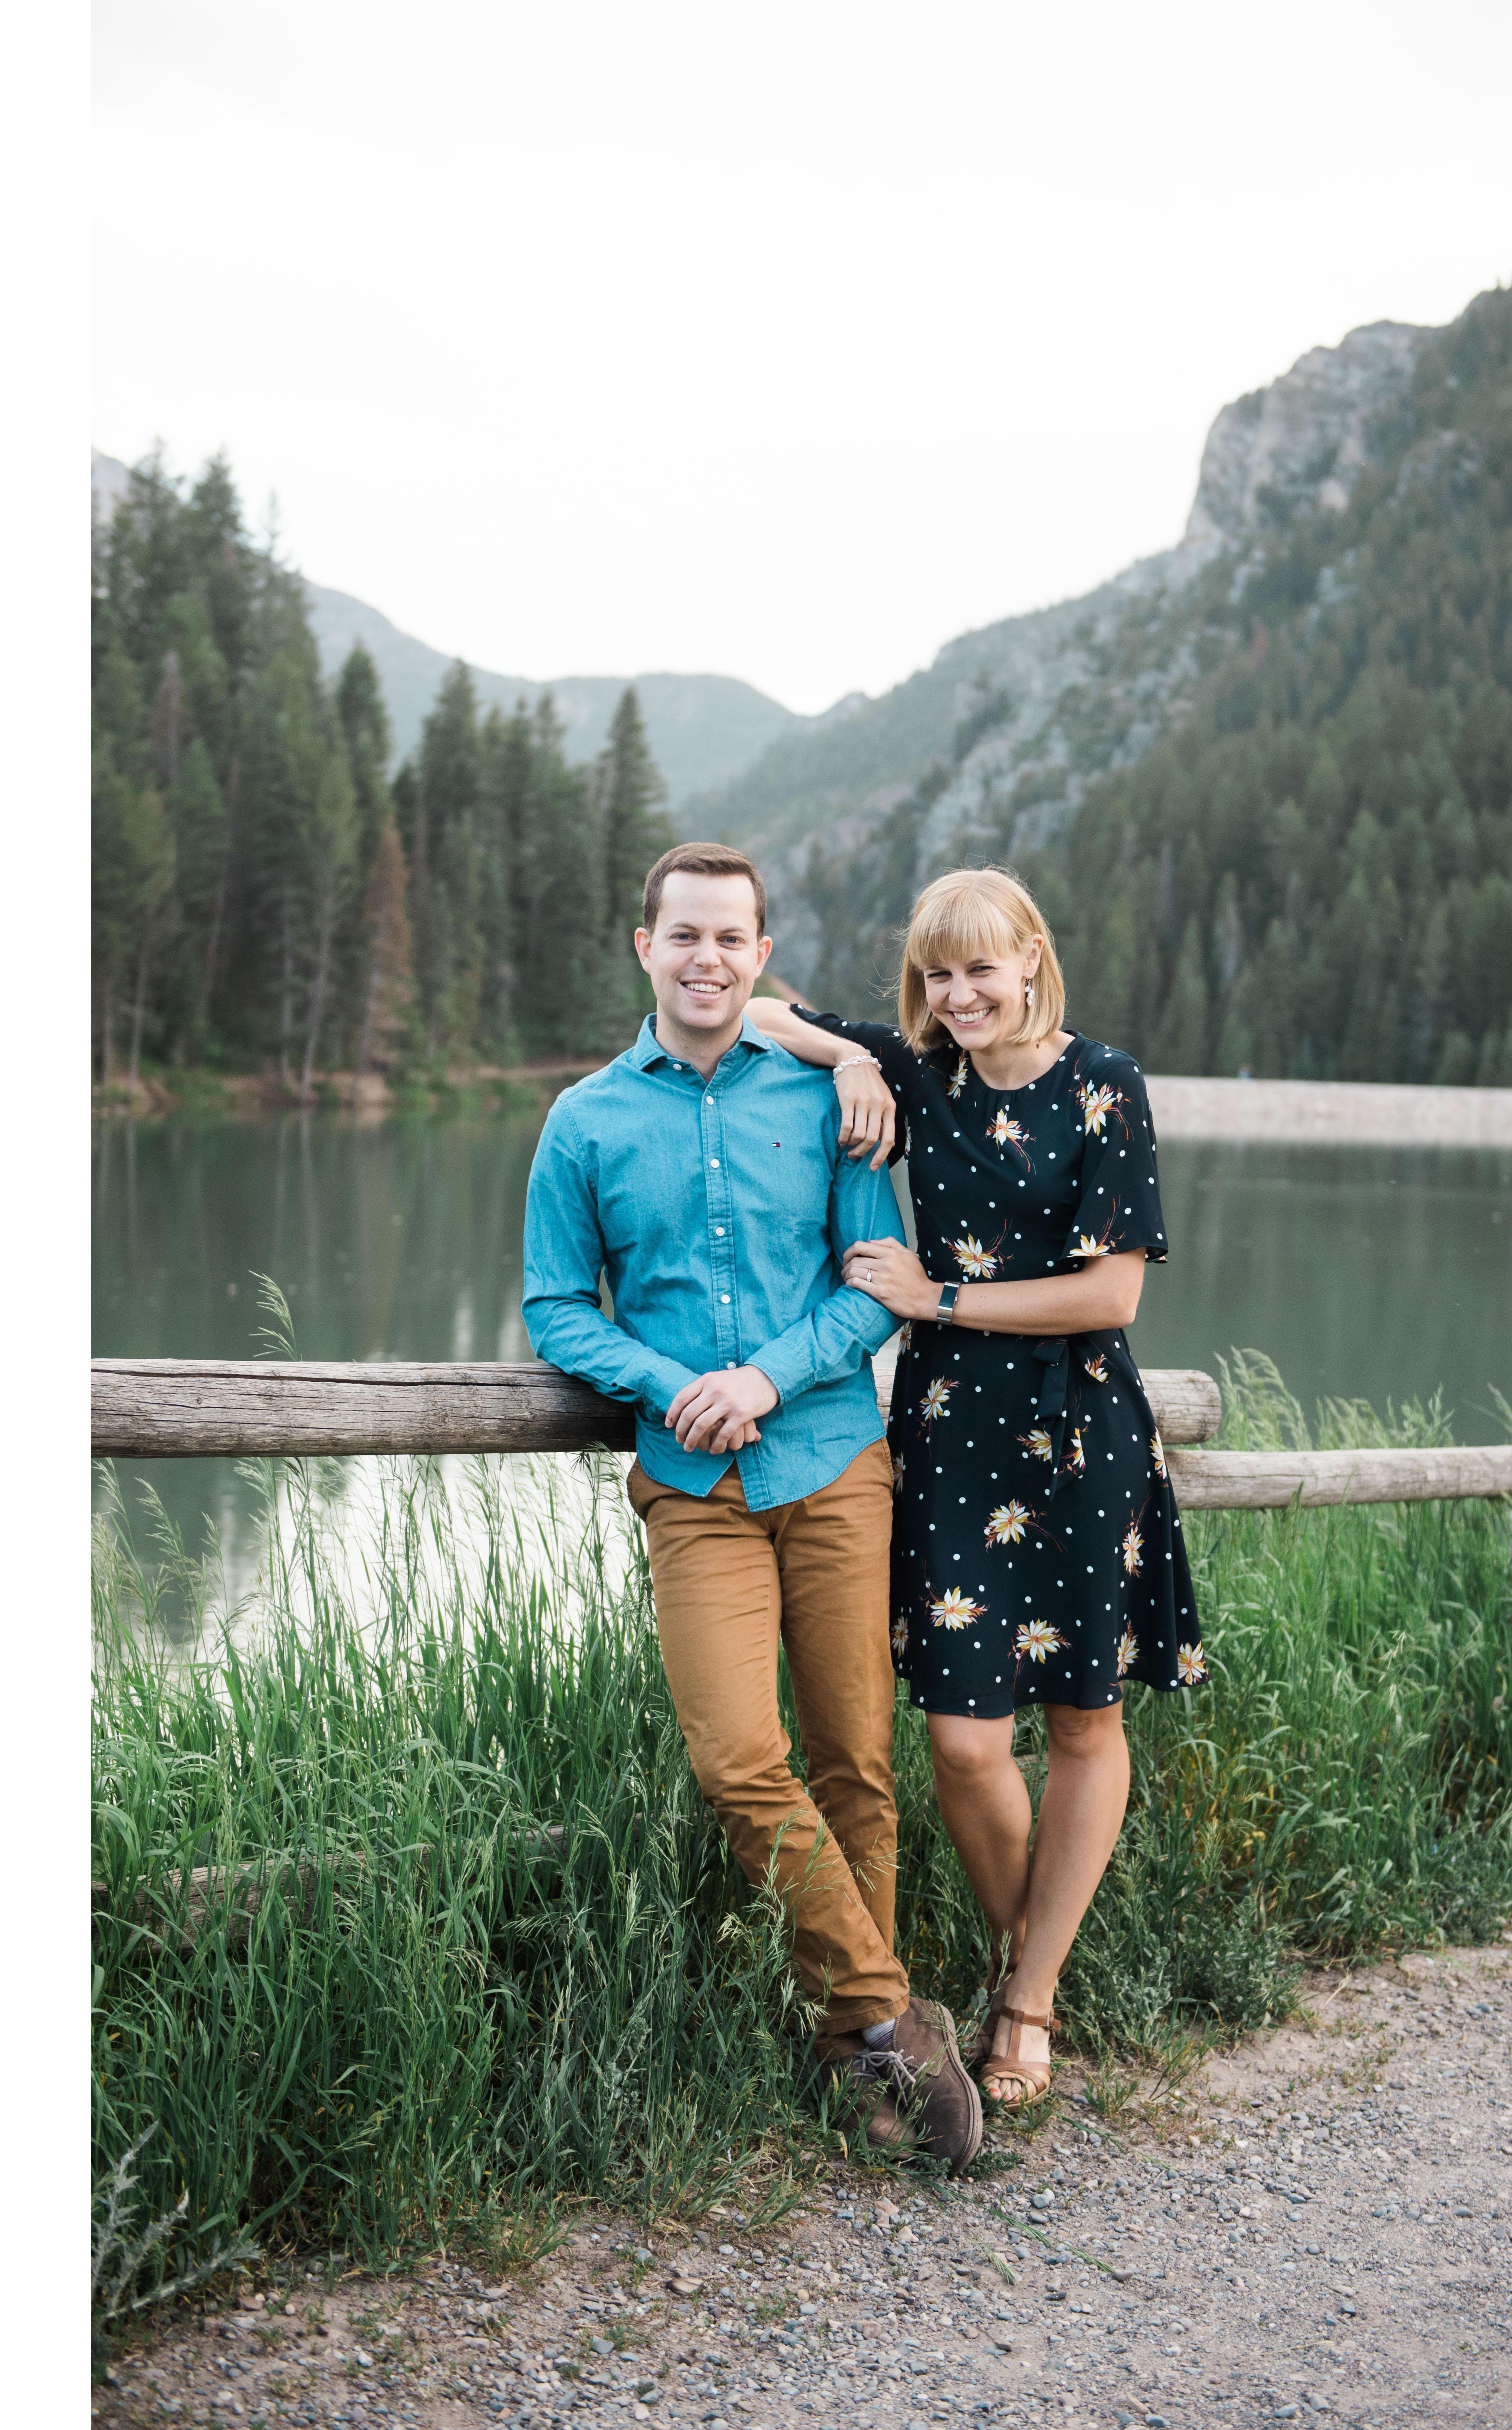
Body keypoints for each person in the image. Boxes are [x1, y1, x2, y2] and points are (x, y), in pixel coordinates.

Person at [521, 840, 982, 2170]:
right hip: (694, 1488)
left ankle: (861, 2069)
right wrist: (677, 1388)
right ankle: (892, 2011)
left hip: (836, 1463)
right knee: (738, 1759)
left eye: (733, 939)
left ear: (763, 957)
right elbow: (556, 1305)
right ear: (644, 947)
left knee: (856, 1766)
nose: (708, 959)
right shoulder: (587, 1122)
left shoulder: (835, 1100)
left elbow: (871, 1282)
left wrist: (763, 1379)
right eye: (685, 937)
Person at [745, 864, 1205, 2109]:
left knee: (1083, 1721)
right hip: (950, 1438)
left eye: (981, 970)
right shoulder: (916, 1071)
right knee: (962, 1741)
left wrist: (935, 1298)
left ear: (1032, 960)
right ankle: (1029, 1957)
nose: (959, 996)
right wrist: (845, 1062)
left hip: (1078, 1431)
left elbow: (1113, 1294)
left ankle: (1030, 1998)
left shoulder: (1106, 1082)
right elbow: (755, 1004)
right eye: (937, 975)